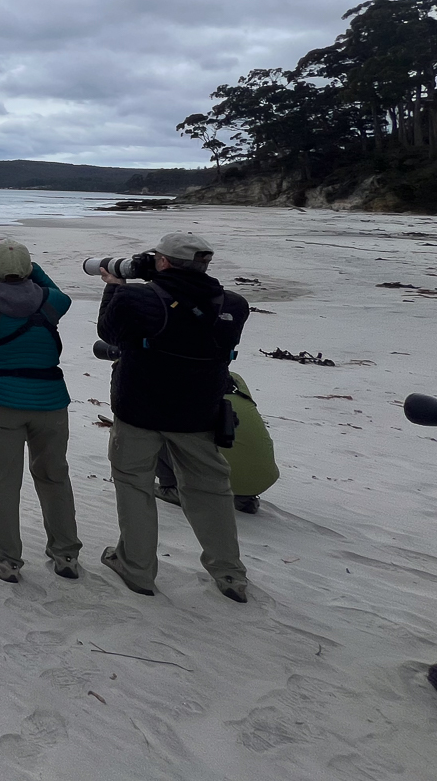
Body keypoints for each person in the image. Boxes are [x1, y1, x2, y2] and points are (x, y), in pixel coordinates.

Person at [97, 231, 251, 602]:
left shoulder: (136, 298)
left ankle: (136, 568)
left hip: (139, 409)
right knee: (210, 490)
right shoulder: (233, 304)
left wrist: (116, 285)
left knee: (133, 484)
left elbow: (109, 330)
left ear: (162, 261)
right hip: (199, 412)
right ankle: (229, 573)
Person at [0, 237, 80, 583]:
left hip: (2, 399)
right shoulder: (52, 301)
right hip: (51, 400)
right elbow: (55, 290)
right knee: (54, 475)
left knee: (5, 481)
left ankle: (6, 557)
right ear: (29, 269)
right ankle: (66, 552)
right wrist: (31, 268)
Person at [156, 371, 278, 514]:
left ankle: (173, 489)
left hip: (217, 474)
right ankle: (241, 498)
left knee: (153, 428)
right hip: (263, 478)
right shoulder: (236, 380)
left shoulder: (176, 382)